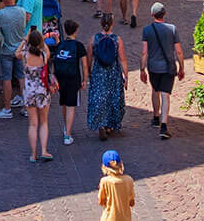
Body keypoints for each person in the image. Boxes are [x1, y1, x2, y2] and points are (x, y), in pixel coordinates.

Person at [140, 1, 181, 140]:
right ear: (164, 14)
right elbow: (179, 52)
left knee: (154, 91)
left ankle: (156, 117)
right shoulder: (172, 29)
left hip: (153, 67)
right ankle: (164, 126)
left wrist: (142, 69)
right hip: (167, 67)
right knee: (165, 96)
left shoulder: (147, 30)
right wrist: (181, 67)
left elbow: (144, 52)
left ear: (152, 15)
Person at [87, 12, 126, 139]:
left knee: (99, 97)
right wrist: (126, 75)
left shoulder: (94, 39)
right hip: (113, 72)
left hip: (99, 72)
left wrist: (88, 72)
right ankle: (110, 125)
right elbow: (123, 59)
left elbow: (89, 57)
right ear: (112, 24)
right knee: (113, 98)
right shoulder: (117, 39)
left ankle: (101, 124)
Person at [0, 0, 28, 119]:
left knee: (6, 78)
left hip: (5, 50)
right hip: (19, 49)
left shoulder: (0, 14)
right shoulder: (22, 12)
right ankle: (26, 106)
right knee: (21, 77)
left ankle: (7, 109)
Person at [20, 27, 56, 162]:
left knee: (33, 124)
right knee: (44, 122)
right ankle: (44, 150)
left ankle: (33, 154)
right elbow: (47, 51)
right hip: (42, 90)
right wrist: (42, 41)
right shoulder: (43, 55)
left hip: (29, 91)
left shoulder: (24, 55)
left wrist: (25, 39)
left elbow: (17, 52)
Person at [52, 18, 88, 146]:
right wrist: (85, 79)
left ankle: (65, 127)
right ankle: (68, 134)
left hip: (60, 77)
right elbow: (84, 65)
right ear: (76, 31)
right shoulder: (78, 46)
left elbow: (55, 61)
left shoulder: (60, 44)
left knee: (63, 103)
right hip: (73, 78)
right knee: (71, 106)